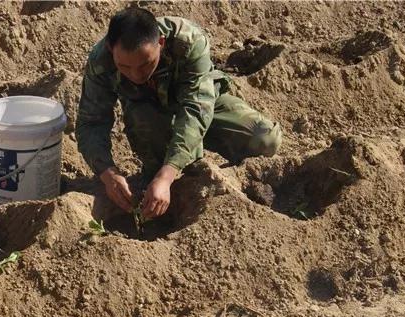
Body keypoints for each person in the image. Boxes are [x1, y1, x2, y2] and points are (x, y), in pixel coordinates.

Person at [76, 7, 282, 219]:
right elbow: (91, 122)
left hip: (198, 103)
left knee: (265, 139)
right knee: (144, 120)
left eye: (146, 64)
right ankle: (158, 179)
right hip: (149, 116)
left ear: (161, 43)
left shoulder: (188, 40)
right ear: (111, 49)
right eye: (125, 67)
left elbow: (196, 108)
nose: (136, 74)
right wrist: (108, 174)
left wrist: (167, 174)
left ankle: (172, 171)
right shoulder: (100, 61)